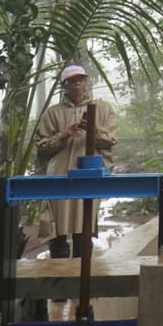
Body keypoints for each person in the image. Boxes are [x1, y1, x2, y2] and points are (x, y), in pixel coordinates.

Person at [33, 65, 118, 258]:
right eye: (72, 80)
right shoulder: (52, 113)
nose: (77, 83)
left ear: (86, 81)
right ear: (64, 84)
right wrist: (62, 135)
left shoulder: (102, 109)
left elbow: (110, 140)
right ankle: (59, 272)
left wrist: (94, 130)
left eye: (80, 79)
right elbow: (42, 146)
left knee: (84, 227)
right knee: (56, 229)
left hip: (89, 176)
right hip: (59, 176)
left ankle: (81, 269)